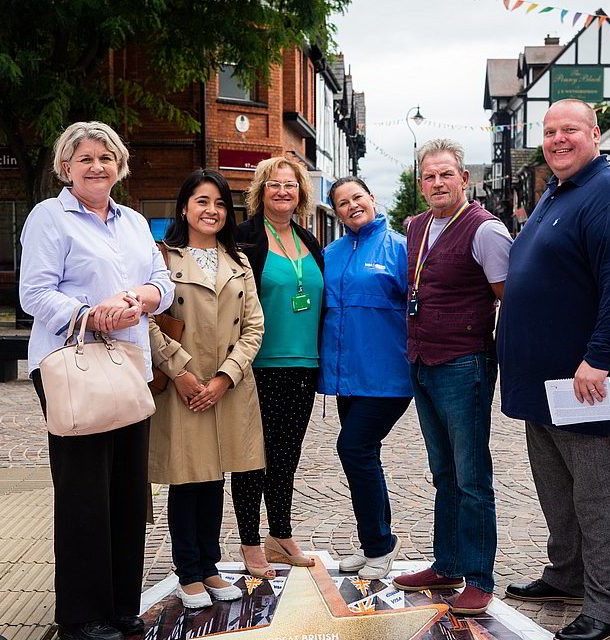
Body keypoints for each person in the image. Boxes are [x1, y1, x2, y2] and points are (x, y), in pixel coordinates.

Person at [497, 99, 610, 640]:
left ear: (595, 134)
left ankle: (608, 605)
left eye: (570, 130)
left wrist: (600, 358)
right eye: (549, 131)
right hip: (546, 387)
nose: (558, 139)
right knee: (558, 491)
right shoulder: (557, 191)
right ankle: (566, 575)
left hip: (590, 383)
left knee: (600, 495)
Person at [19, 122, 174, 640]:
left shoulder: (133, 221)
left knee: (129, 491)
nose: (97, 166)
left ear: (120, 165)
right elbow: (34, 294)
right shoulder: (50, 217)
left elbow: (162, 283)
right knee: (85, 494)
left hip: (129, 367)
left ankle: (122, 603)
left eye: (106, 157)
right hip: (73, 365)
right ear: (66, 167)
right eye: (84, 158)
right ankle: (83, 615)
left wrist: (145, 299)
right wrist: (90, 314)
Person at [391, 139, 512, 616]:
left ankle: (480, 578)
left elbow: (510, 298)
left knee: (471, 478)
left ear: (464, 179)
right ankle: (448, 564)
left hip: (465, 364)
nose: (438, 184)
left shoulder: (486, 230)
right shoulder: (417, 225)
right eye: (429, 177)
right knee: (443, 474)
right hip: (423, 360)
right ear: (421, 184)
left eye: (446, 175)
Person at [148, 169, 265, 608]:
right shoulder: (162, 259)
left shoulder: (240, 262)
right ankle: (189, 569)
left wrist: (225, 377)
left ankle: (211, 566)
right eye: (202, 201)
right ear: (184, 207)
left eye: (218, 203)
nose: (211, 210)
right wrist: (180, 371)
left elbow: (254, 327)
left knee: (215, 477)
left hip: (227, 386)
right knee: (187, 478)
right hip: (183, 384)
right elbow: (148, 323)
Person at [231, 156, 324, 578]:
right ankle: (251, 544)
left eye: (289, 185)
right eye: (273, 185)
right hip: (258, 366)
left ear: (301, 192)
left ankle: (280, 537)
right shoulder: (245, 238)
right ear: (260, 192)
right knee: (253, 457)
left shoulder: (310, 240)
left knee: (287, 456)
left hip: (303, 365)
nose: (282, 192)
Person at [319, 177, 412, 580]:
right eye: (342, 202)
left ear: (372, 198)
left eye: (357, 197)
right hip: (346, 376)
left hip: (388, 375)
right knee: (363, 455)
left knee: (353, 448)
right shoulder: (331, 253)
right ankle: (375, 538)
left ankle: (380, 544)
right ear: (336, 212)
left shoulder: (401, 248)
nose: (352, 206)